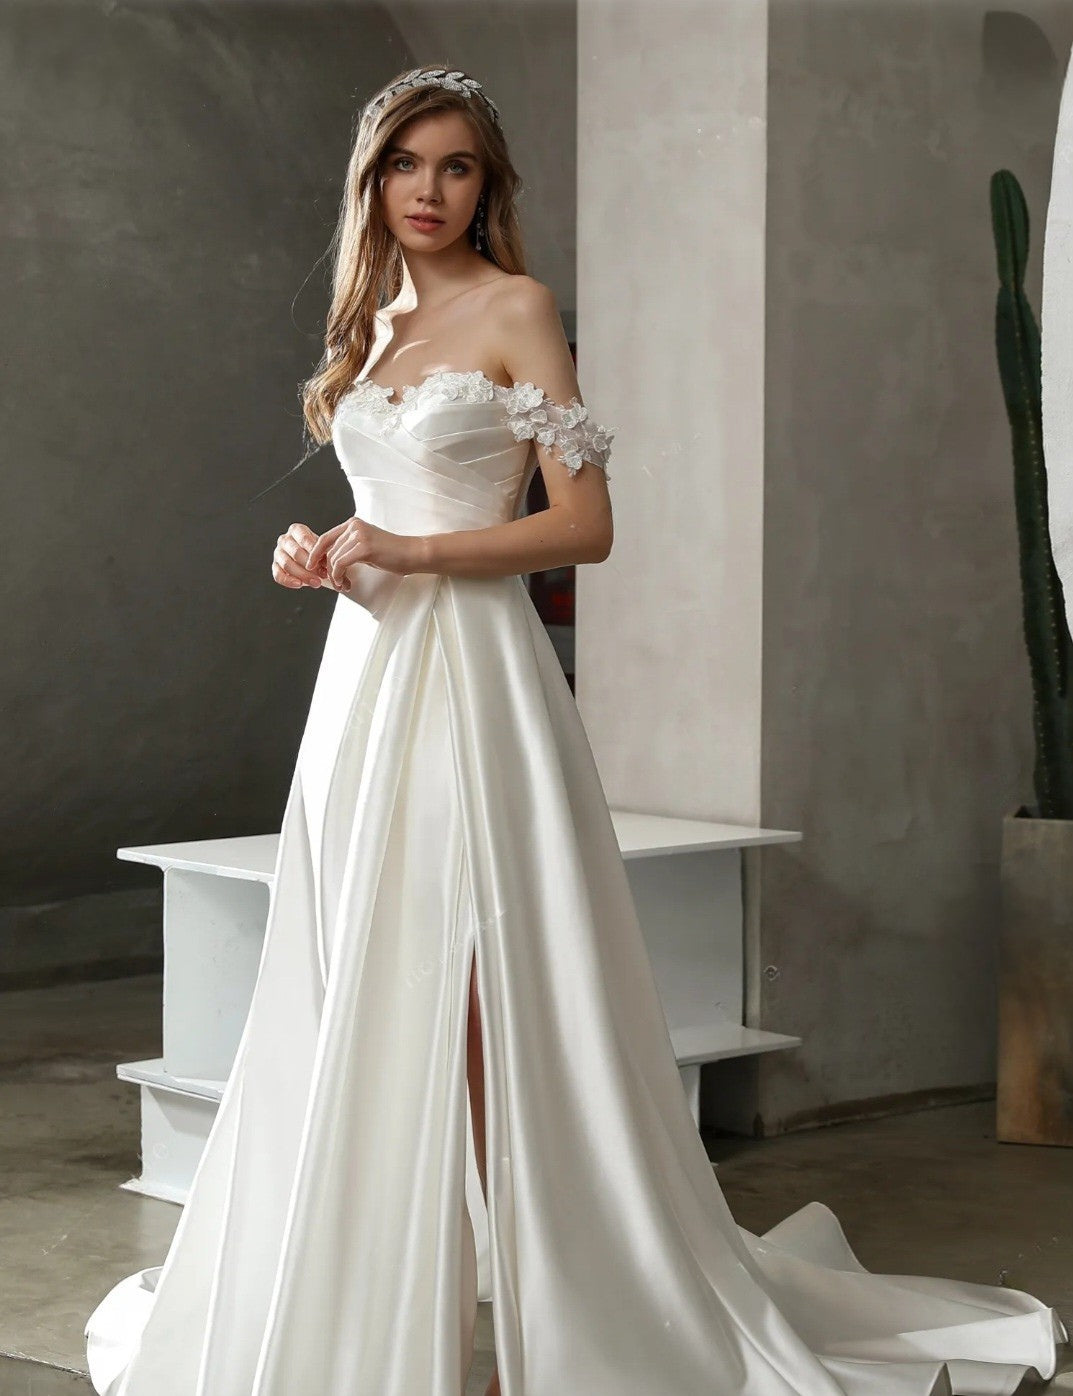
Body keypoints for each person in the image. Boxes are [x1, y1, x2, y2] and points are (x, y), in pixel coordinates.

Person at [85, 63, 1067, 1396]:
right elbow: (379, 501)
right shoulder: (364, 327)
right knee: (361, 974)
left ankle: (558, 1290)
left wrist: (416, 549)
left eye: (456, 168)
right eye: (404, 166)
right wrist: (315, 549)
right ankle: (384, 1286)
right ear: (368, 180)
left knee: (482, 974)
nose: (428, 191)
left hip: (473, 688)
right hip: (363, 686)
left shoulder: (517, 309)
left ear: (489, 187)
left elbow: (583, 527)